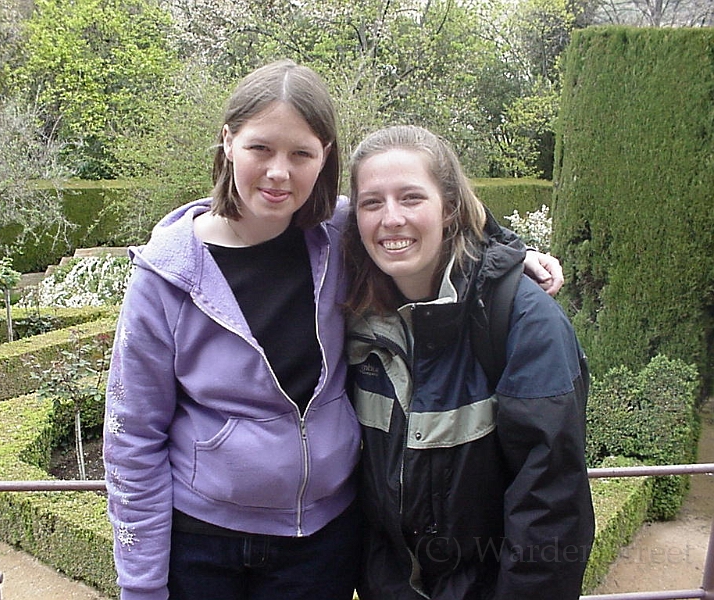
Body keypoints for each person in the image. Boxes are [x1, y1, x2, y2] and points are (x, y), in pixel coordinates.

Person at [103, 60, 565, 600]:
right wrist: (141, 587)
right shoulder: (167, 276)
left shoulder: (339, 234)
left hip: (321, 544)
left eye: (301, 153)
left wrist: (508, 258)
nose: (279, 172)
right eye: (260, 149)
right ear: (227, 142)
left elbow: (429, 212)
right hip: (204, 543)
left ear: (324, 157)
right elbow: (133, 439)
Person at [343, 125, 594, 600]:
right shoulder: (355, 313)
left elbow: (551, 508)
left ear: (450, 207)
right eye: (371, 202)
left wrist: (510, 256)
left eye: (412, 197)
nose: (390, 218)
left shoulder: (525, 321)